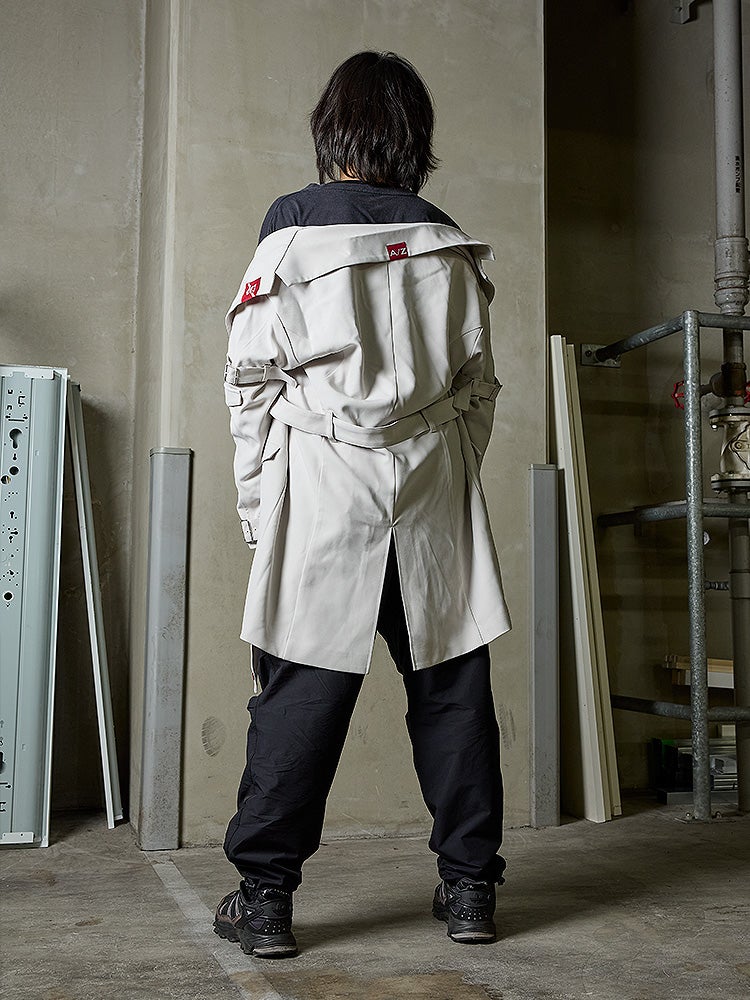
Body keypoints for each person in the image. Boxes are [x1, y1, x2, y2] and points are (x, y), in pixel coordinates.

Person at [213, 51, 511, 959]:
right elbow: (478, 386)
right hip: (431, 487)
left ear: (332, 129)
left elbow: (251, 383)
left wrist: (260, 508)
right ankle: (471, 891)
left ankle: (266, 900)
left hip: (323, 488)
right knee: (452, 689)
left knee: (300, 692)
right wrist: (445, 469)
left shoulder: (291, 231)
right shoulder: (448, 243)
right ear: (415, 138)